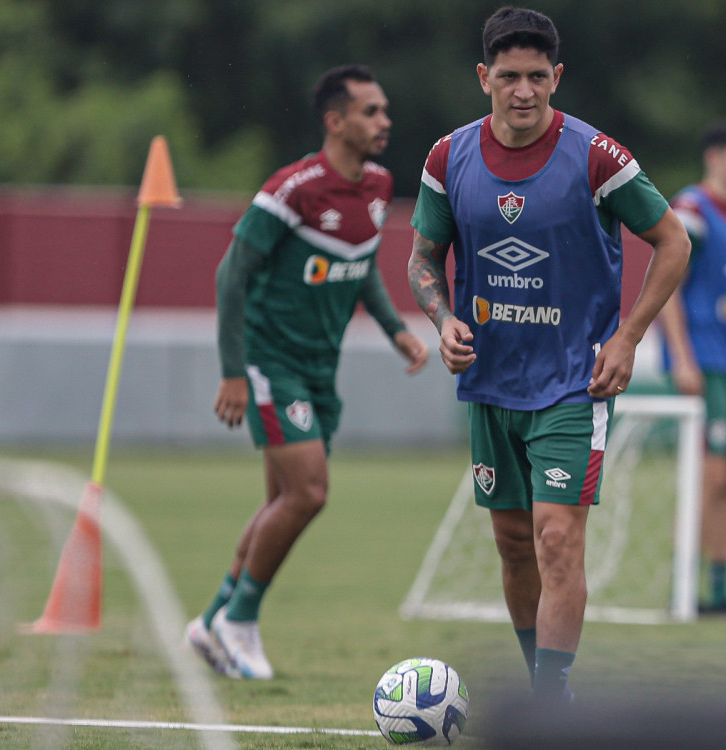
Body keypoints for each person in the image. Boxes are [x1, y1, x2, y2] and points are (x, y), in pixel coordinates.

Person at [407, 7, 690, 703]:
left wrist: (628, 338)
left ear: (557, 77)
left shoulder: (598, 156)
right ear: (484, 78)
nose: (525, 90)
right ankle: (541, 673)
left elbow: (675, 242)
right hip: (490, 383)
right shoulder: (449, 158)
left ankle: (549, 697)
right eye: (510, 76)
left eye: (539, 76)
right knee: (511, 544)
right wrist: (442, 319)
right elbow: (422, 256)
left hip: (573, 383)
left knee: (557, 539)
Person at [184, 64, 429, 679]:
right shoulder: (292, 188)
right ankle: (240, 622)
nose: (384, 122)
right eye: (371, 112)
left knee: (281, 501)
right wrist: (234, 372)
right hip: (272, 363)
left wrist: (397, 329)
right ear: (335, 121)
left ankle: (213, 620)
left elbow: (362, 264)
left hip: (322, 371)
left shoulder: (377, 185)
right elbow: (230, 275)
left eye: (385, 110)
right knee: (309, 493)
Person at [656, 120, 726, 615]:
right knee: (711, 477)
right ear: (715, 158)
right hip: (706, 362)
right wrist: (681, 358)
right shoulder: (693, 211)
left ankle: (719, 591)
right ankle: (683, 585)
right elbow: (667, 286)